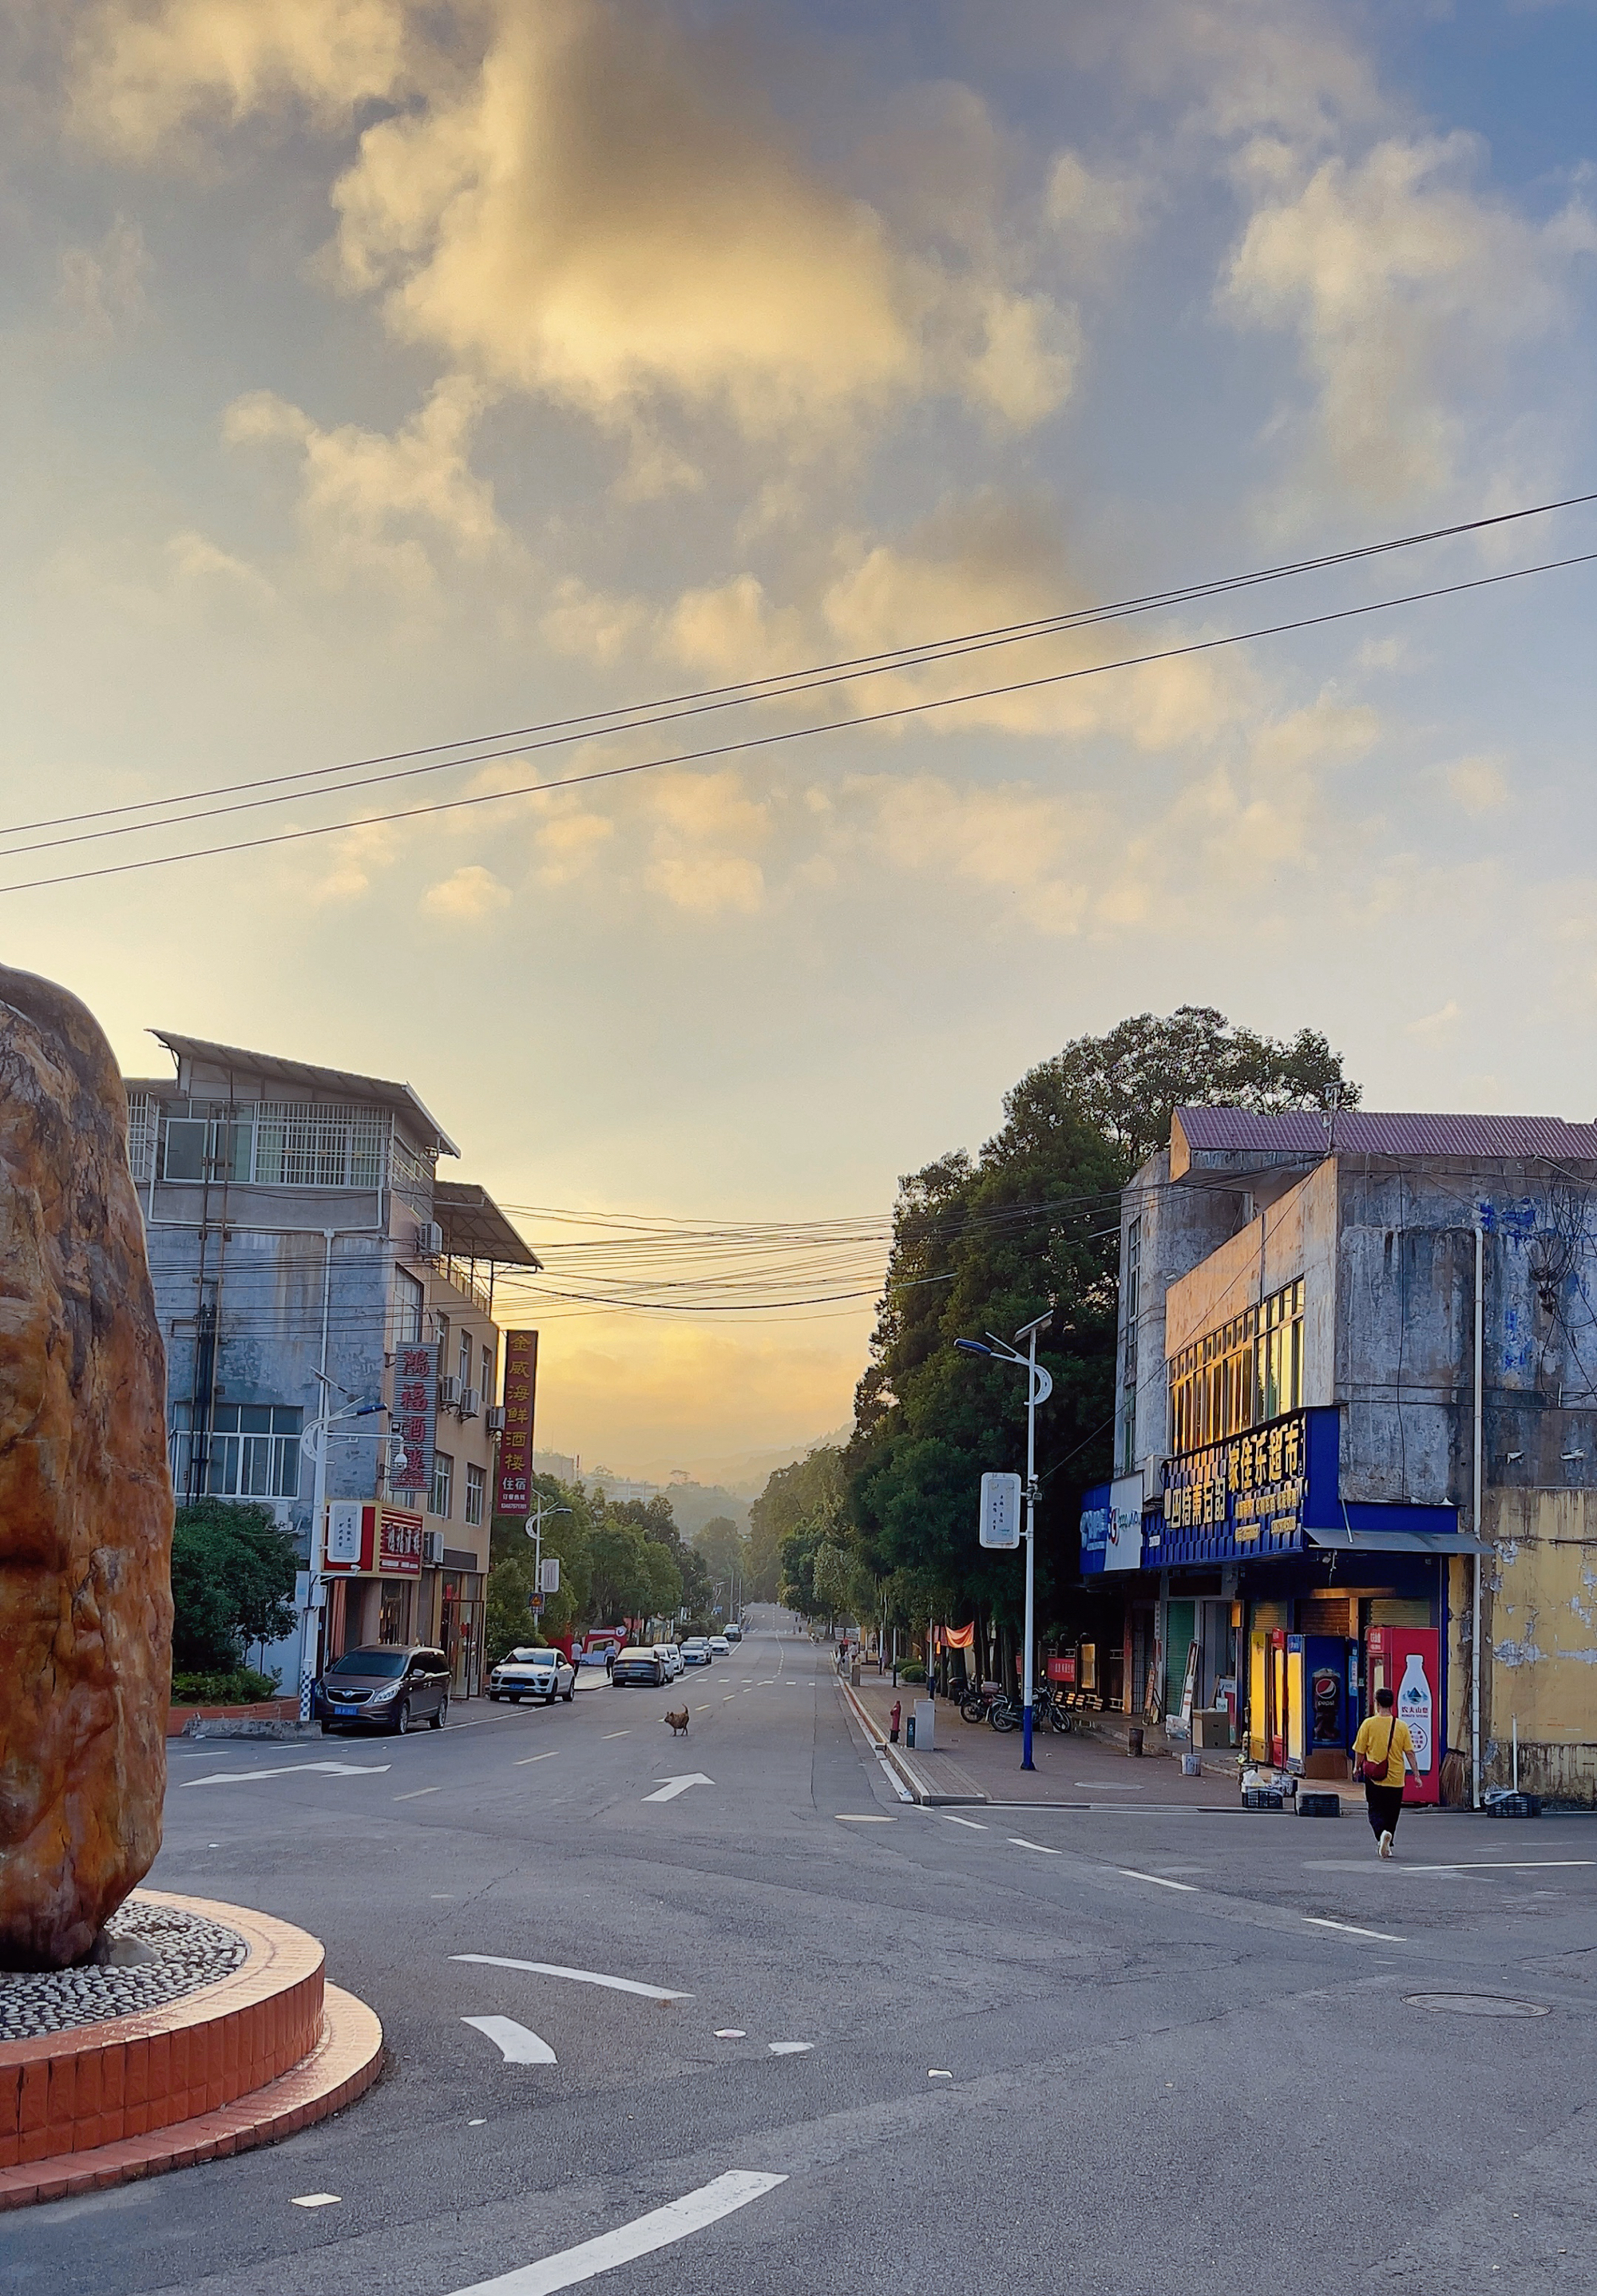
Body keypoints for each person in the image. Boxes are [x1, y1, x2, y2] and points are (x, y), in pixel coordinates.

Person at [1352, 1685, 1417, 1858]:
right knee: (1392, 1813)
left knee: (1375, 1810)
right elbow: (1409, 1752)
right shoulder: (1401, 1726)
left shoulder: (1368, 1724)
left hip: (1375, 1778)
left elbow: (1360, 1750)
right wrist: (1417, 1775)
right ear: (1392, 1704)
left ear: (1376, 1703)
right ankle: (1388, 1840)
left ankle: (1382, 1836)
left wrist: (1357, 1767)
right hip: (1396, 1778)